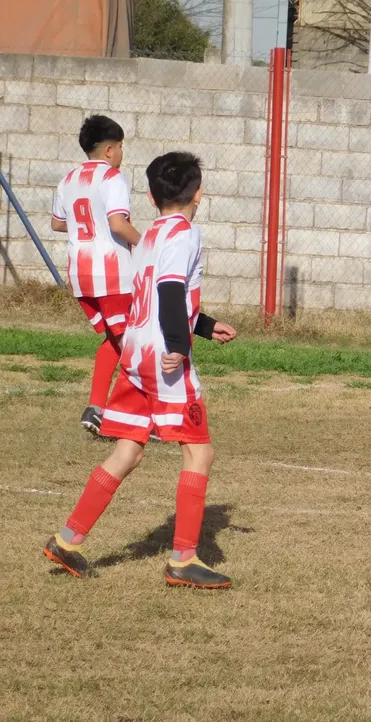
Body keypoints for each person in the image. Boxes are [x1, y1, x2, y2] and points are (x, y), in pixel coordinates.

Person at [43, 152, 239, 589]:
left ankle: (68, 539)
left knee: (128, 449)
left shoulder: (149, 235)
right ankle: (183, 558)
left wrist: (204, 325)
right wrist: (179, 345)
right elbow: (170, 289)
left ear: (150, 196)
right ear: (199, 194)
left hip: (133, 351)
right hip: (161, 359)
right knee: (199, 451)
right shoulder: (185, 233)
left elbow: (154, 294)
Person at [52, 115, 141, 436]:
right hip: (112, 274)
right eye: (119, 147)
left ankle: (96, 408)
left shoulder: (68, 179)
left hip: (80, 274)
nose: (121, 153)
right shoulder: (113, 178)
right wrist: (148, 247)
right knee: (134, 342)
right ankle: (143, 415)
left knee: (115, 339)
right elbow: (118, 224)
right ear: (108, 150)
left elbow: (58, 223)